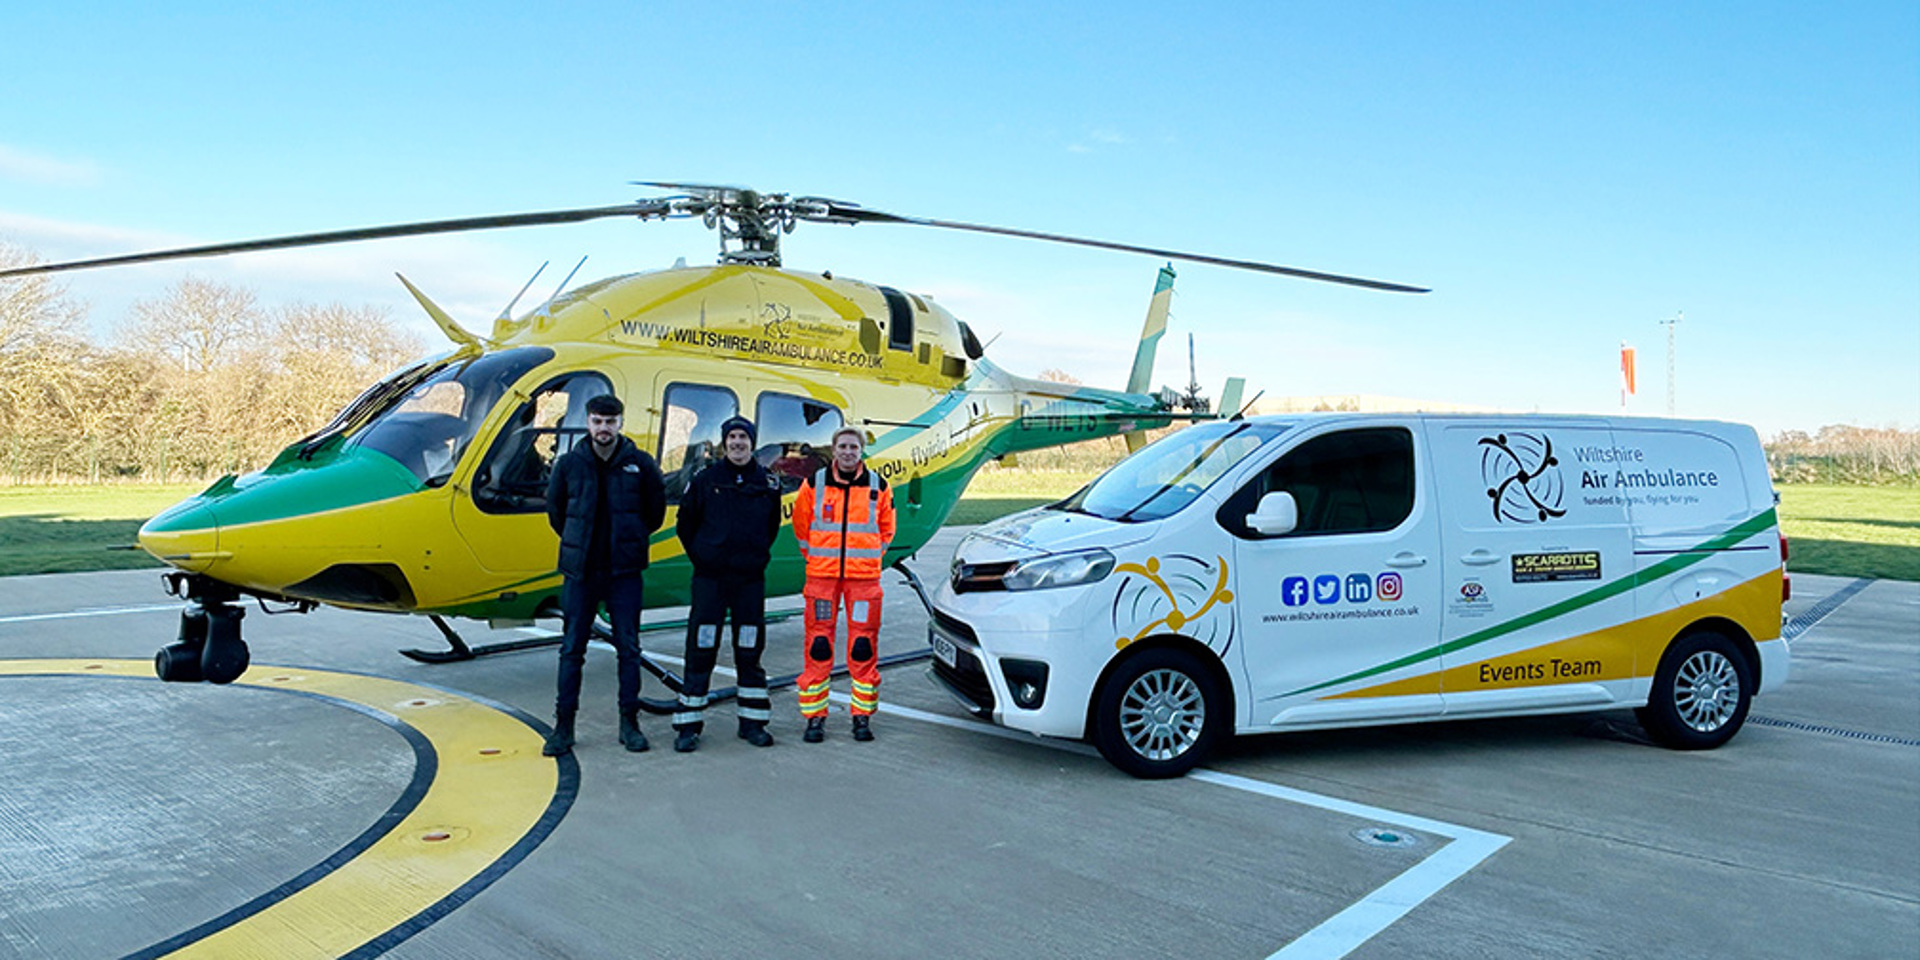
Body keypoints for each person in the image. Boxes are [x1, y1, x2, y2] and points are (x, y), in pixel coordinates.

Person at [542, 394, 666, 757]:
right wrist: (579, 544)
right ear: (588, 423)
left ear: (620, 423)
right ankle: (563, 726)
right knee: (570, 650)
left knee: (628, 649)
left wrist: (629, 542)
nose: (603, 428)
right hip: (580, 574)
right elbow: (557, 514)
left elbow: (654, 513)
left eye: (610, 422)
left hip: (624, 574)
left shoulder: (640, 464)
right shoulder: (568, 465)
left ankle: (630, 723)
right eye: (597, 421)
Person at [671, 415, 782, 752]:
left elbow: (771, 528)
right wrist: (705, 558)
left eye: (743, 438)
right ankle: (688, 727)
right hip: (710, 582)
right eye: (732, 437)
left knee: (749, 651)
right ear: (724, 442)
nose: (737, 443)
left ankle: (752, 724)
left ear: (752, 442)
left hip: (749, 582)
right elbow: (685, 525)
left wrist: (752, 557)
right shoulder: (705, 480)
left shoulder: (768, 483)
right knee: (701, 649)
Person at [792, 426, 895, 742]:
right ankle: (815, 719)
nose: (848, 452)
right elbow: (801, 525)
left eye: (853, 446)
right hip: (822, 579)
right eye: (842, 446)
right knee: (818, 646)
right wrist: (817, 560)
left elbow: (887, 531)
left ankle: (861, 717)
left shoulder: (879, 486)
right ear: (833, 450)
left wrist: (865, 560)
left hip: (863, 581)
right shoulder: (814, 484)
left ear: (861, 450)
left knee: (862, 647)